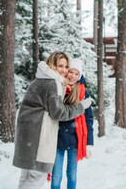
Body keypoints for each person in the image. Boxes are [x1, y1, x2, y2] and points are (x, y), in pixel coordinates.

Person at [13, 52, 92, 189]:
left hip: (29, 134)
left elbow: (88, 119)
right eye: (60, 66)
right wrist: (80, 107)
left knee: (27, 176)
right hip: (39, 136)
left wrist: (89, 142)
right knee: (37, 177)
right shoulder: (52, 83)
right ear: (52, 64)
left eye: (66, 66)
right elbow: (59, 113)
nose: (64, 70)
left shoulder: (42, 78)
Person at [51, 58, 94, 189]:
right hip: (56, 139)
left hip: (75, 140)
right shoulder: (58, 89)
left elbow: (88, 119)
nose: (73, 76)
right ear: (66, 72)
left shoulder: (82, 93)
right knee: (56, 176)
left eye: (77, 74)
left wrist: (89, 142)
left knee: (72, 174)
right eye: (71, 72)